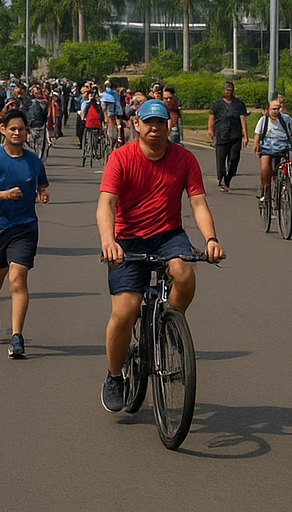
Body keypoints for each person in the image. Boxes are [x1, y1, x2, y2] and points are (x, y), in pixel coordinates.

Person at [97, 99, 224, 413]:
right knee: (125, 311)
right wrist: (108, 241)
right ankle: (114, 376)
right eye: (148, 122)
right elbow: (107, 204)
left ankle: (170, 323)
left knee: (185, 273)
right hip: (128, 239)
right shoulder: (121, 158)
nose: (154, 128)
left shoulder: (185, 159)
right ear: (136, 124)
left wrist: (211, 239)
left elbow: (198, 203)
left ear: (170, 125)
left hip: (168, 235)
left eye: (161, 122)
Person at [0, 109, 50, 358]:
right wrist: (3, 195)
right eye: (12, 129)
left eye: (21, 129)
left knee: (18, 279)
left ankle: (17, 336)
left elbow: (42, 184)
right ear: (3, 130)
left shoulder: (33, 161)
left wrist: (43, 194)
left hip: (24, 227)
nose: (17, 133)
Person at [255, 95, 292, 208]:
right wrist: (256, 147)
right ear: (268, 109)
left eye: (278, 108)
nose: (276, 111)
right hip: (267, 148)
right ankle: (266, 191)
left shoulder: (286, 119)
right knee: (265, 169)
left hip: (283, 147)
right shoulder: (263, 120)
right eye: (273, 109)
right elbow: (257, 134)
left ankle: (284, 186)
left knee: (284, 167)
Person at [207, 80, 248, 192]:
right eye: (227, 90)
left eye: (231, 90)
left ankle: (228, 177)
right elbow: (211, 118)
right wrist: (210, 130)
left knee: (234, 159)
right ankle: (221, 178)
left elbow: (243, 119)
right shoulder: (216, 105)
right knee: (221, 160)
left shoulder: (239, 104)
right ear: (223, 90)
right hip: (221, 135)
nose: (229, 92)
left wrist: (245, 136)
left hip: (235, 136)